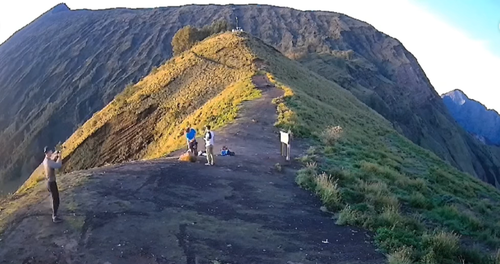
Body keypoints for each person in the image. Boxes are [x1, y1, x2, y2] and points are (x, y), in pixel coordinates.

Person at [43, 146, 63, 223]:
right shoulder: (49, 161)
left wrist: (56, 156)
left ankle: (54, 214)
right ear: (48, 152)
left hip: (48, 182)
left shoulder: (45, 160)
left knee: (54, 199)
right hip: (51, 182)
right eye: (51, 151)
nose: (52, 152)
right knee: (56, 200)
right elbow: (58, 165)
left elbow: (52, 162)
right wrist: (60, 157)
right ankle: (54, 216)